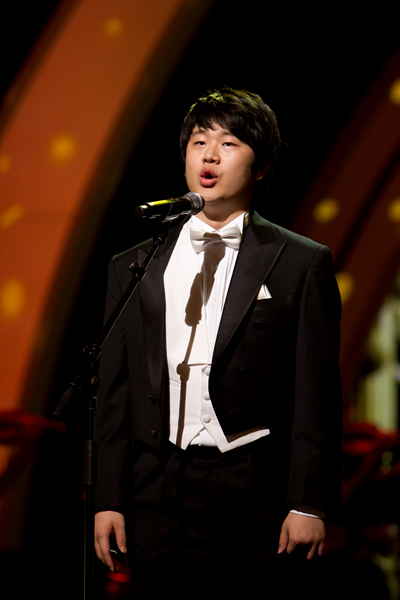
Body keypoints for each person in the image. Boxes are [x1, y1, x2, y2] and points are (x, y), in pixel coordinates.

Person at [94, 87, 342, 599]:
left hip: (254, 490)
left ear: (261, 165)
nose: (209, 156)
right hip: (157, 487)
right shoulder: (135, 263)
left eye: (228, 143)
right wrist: (108, 498)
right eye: (199, 142)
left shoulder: (300, 261)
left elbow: (316, 391)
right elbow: (115, 392)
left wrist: (309, 502)